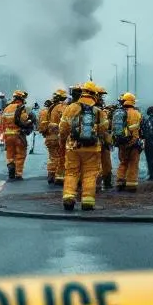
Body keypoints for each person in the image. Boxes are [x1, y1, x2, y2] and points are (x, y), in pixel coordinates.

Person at [60, 81, 110, 211]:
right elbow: (104, 130)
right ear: (94, 95)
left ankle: (68, 198)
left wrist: (63, 141)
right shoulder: (98, 111)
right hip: (92, 148)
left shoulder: (70, 108)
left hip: (73, 146)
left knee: (71, 172)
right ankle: (87, 201)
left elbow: (63, 128)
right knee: (90, 174)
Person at [0, 90, 33, 181]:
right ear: (21, 98)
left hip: (8, 135)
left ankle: (10, 165)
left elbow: (1, 123)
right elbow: (24, 121)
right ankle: (18, 173)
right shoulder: (21, 108)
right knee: (20, 154)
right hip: (19, 135)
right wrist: (29, 121)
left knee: (10, 153)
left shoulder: (7, 108)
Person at [112, 92, 143, 192]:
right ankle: (131, 185)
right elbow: (140, 127)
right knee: (133, 163)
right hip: (133, 143)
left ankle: (120, 182)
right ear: (133, 102)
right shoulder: (137, 113)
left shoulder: (118, 113)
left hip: (122, 143)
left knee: (123, 162)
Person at [42, 89, 68, 185]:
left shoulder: (49, 109)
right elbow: (66, 122)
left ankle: (51, 174)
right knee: (61, 157)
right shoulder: (62, 107)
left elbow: (43, 124)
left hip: (49, 137)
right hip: (59, 137)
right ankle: (60, 177)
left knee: (52, 157)